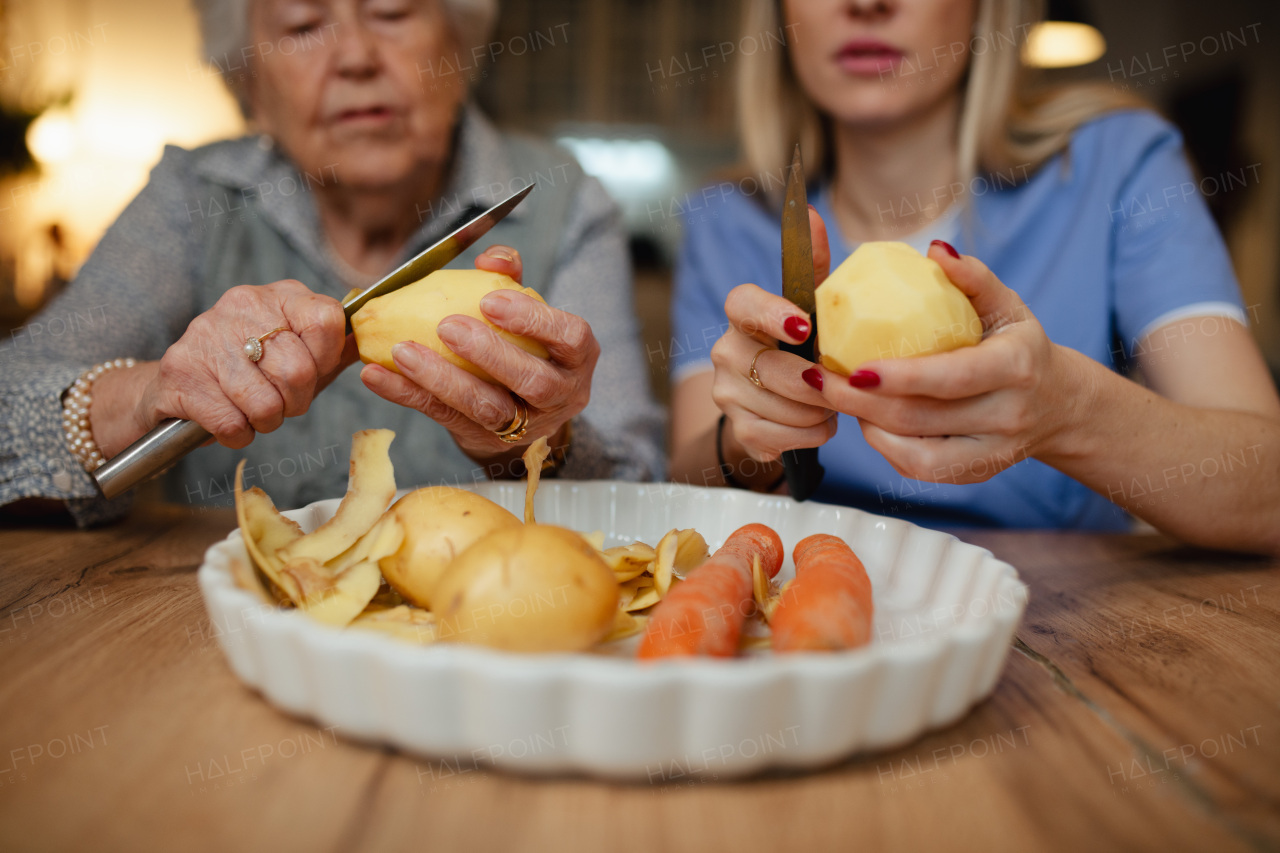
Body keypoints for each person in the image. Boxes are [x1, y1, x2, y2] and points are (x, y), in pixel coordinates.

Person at [0, 0, 663, 526]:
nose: (355, 57)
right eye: (302, 23)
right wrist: (144, 395)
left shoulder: (564, 200)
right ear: (248, 78)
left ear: (459, 49)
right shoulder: (192, 198)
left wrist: (532, 446)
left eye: (394, 11)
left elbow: (639, 493)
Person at [668, 0, 1280, 554]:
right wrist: (747, 438)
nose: (866, 4)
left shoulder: (1117, 162)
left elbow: (1268, 491)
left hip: (1071, 620)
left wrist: (1070, 410)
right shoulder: (729, 215)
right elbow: (683, 489)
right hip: (821, 592)